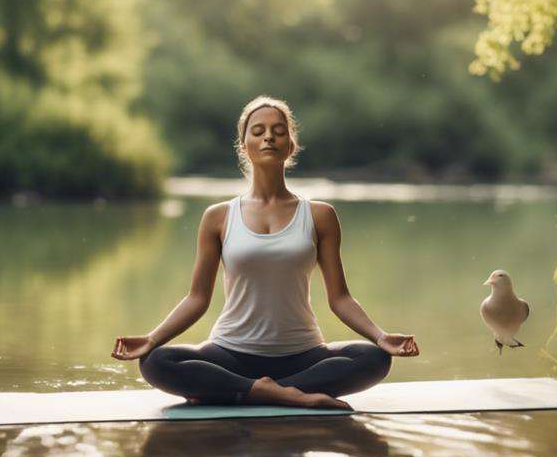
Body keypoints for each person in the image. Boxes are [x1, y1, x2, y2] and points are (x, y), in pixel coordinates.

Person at [111, 95, 419, 409]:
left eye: (278, 131)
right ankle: (283, 395)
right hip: (231, 352)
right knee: (156, 361)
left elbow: (340, 298)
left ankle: (245, 391)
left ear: (291, 146)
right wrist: (151, 338)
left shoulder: (319, 215)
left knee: (373, 358)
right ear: (244, 146)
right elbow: (197, 298)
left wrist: (380, 336)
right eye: (257, 131)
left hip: (302, 355)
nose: (268, 136)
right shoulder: (218, 217)